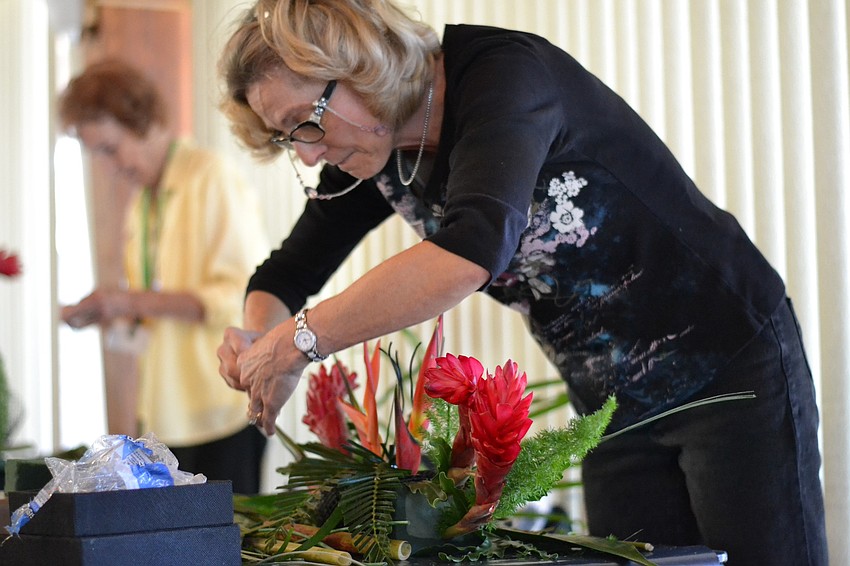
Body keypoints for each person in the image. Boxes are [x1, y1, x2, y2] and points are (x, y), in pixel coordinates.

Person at [215, 0, 828, 562]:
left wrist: (298, 342)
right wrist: (258, 346)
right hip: (612, 406)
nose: (306, 153)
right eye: (285, 136)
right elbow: (287, 273)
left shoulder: (503, 79)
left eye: (304, 122)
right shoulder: (375, 152)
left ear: (359, 67)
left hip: (728, 361)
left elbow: (465, 254)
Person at [58, 59, 270, 494]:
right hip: (167, 417)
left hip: (218, 413)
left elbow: (241, 297)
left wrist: (128, 302)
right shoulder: (144, 200)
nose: (107, 166)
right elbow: (153, 296)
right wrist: (113, 310)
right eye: (96, 154)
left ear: (145, 122)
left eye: (110, 149)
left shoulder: (210, 177)